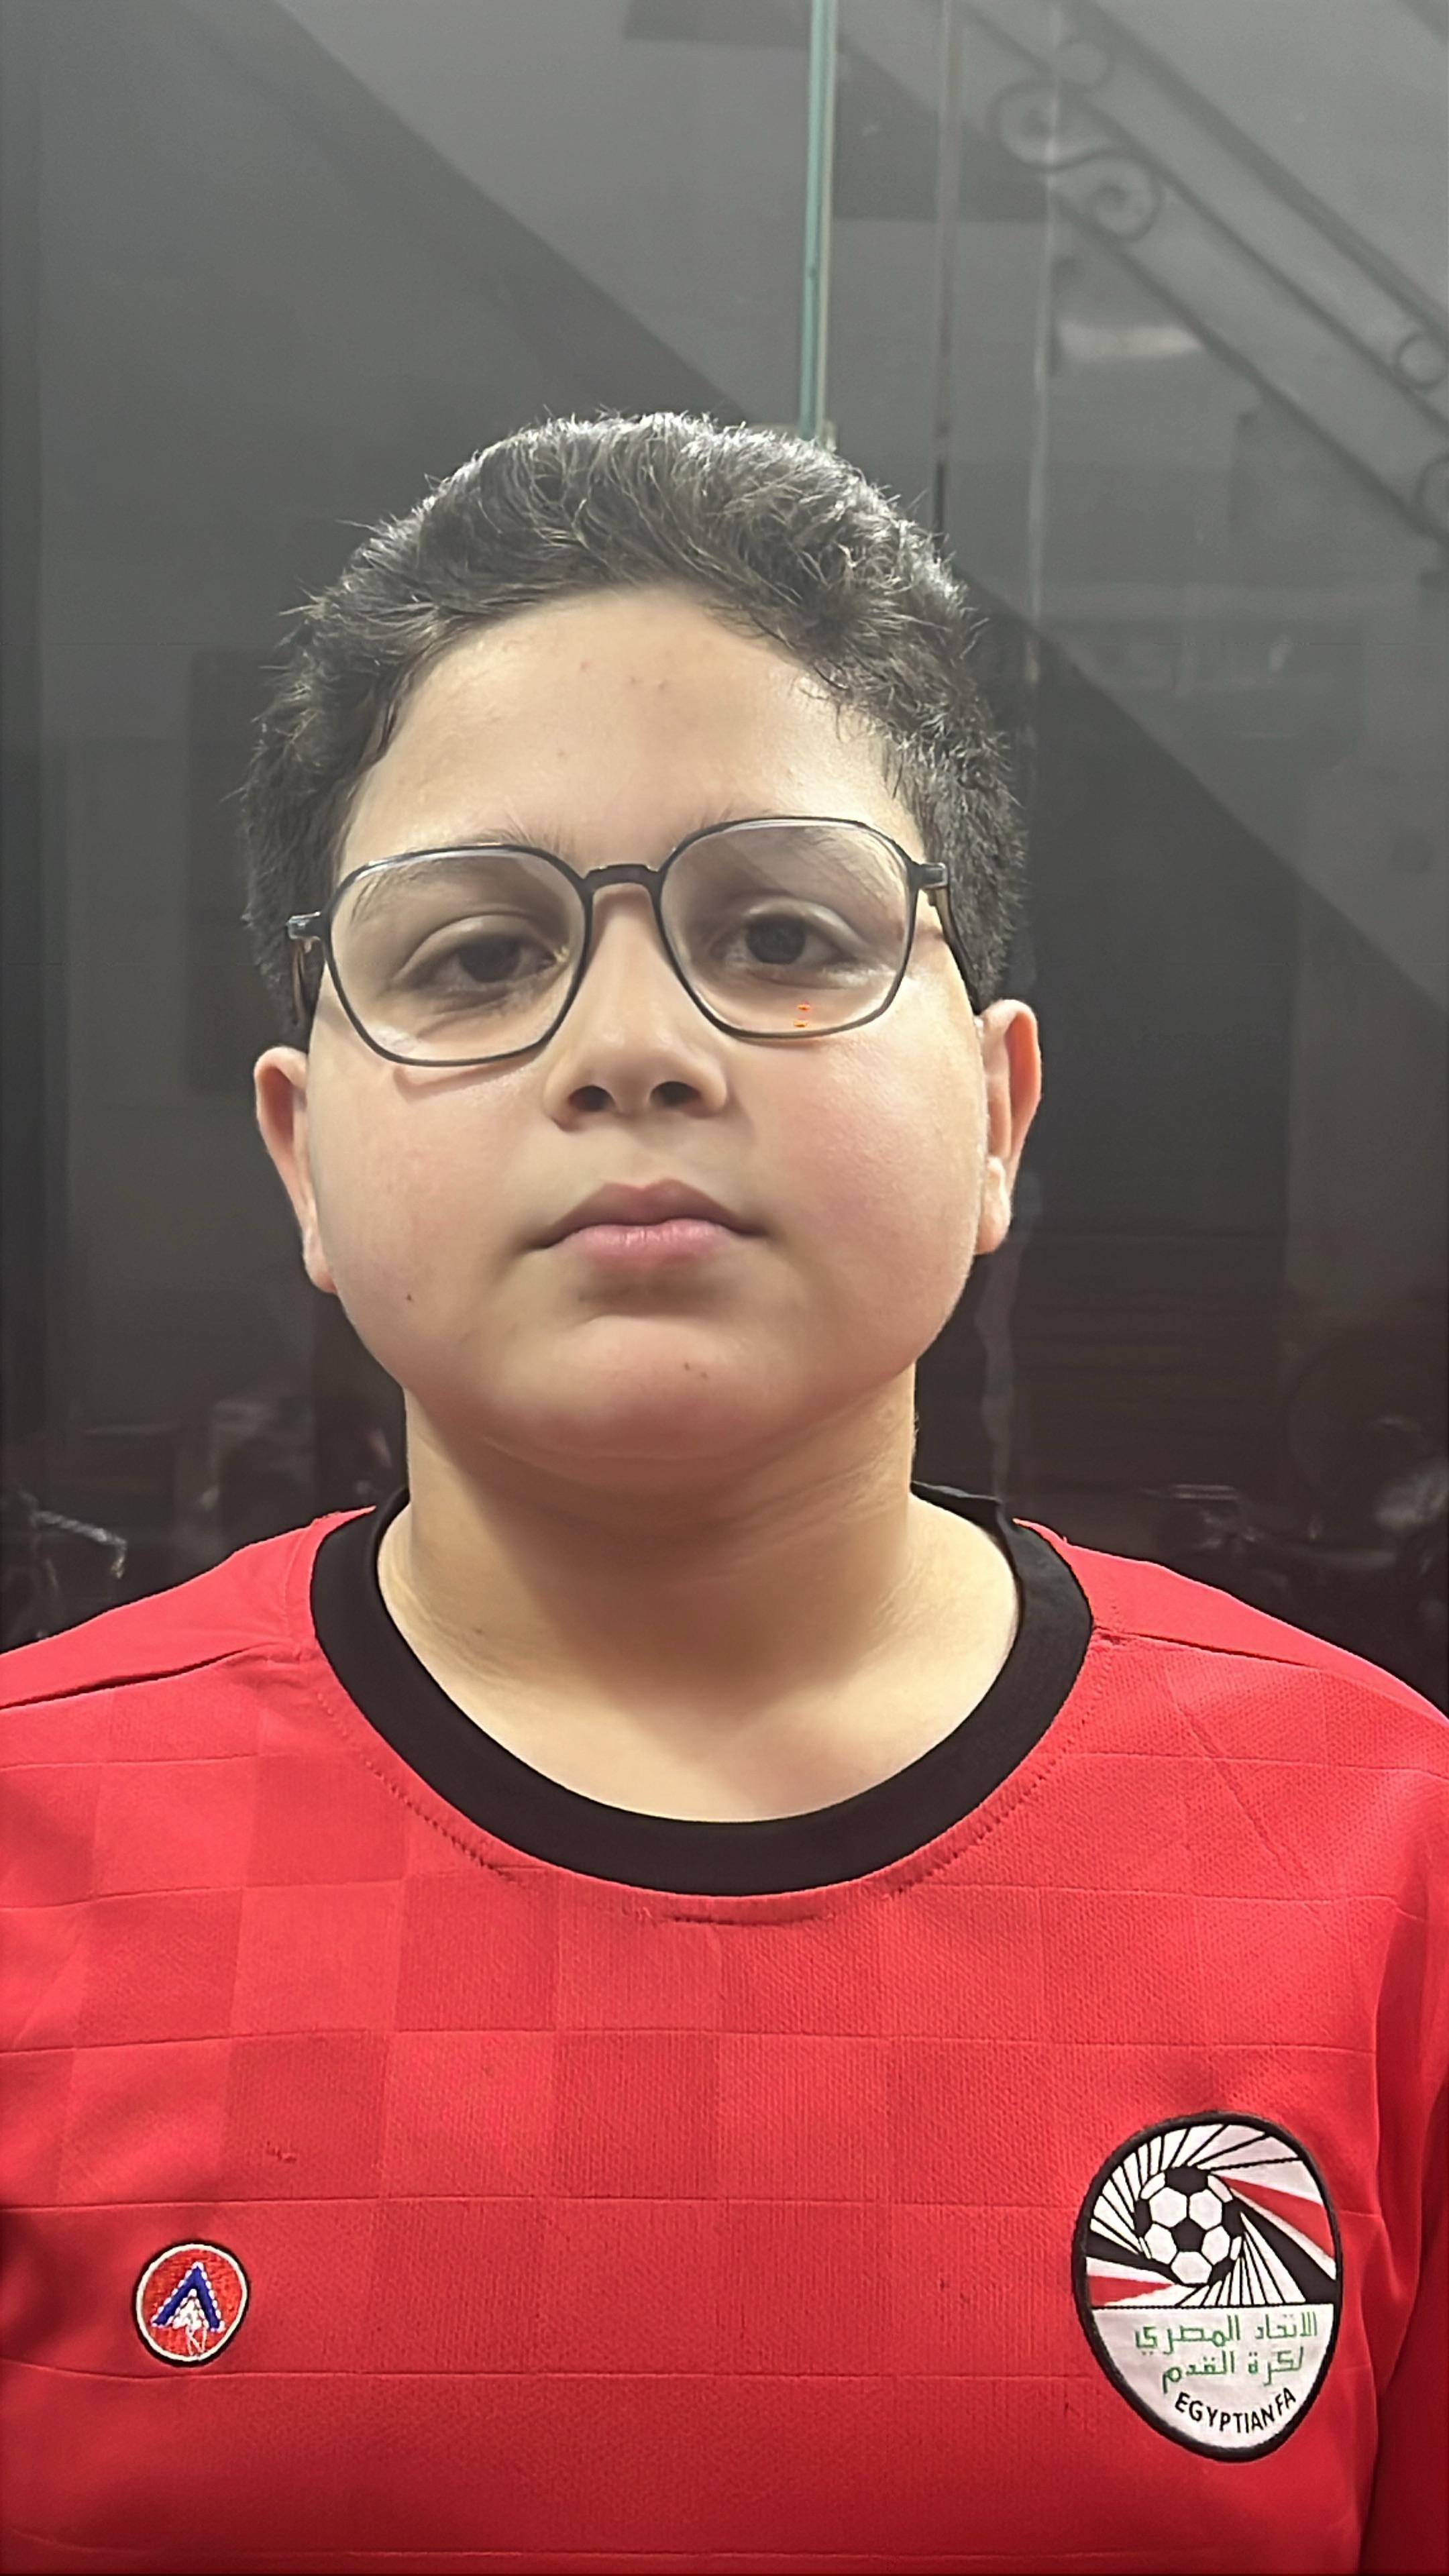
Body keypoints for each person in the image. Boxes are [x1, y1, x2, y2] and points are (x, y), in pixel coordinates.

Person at [1, 414, 1443, 2576]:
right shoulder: (33, 1857)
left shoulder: (1384, 1866)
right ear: (304, 1155)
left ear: (997, 1112)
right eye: (477, 959)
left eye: (777, 931)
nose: (632, 1046)